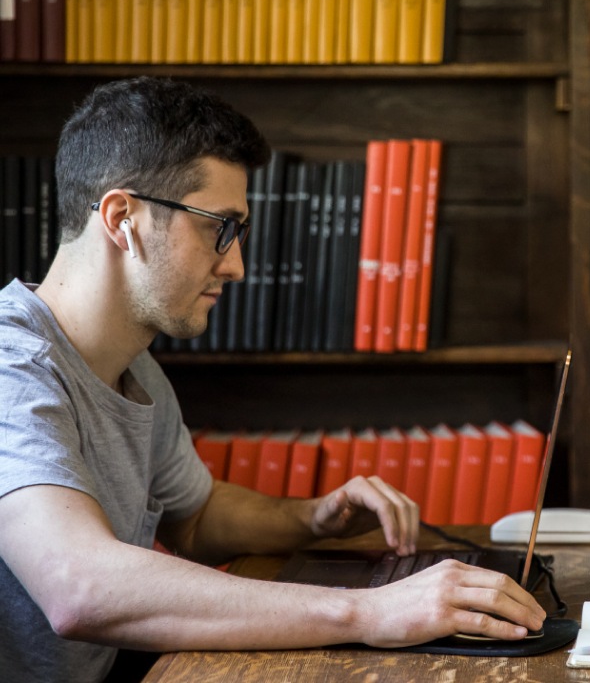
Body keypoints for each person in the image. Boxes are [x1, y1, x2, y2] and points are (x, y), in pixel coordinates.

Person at [0, 77, 545, 683]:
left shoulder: (136, 367)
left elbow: (197, 519)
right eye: (219, 227)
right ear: (122, 218)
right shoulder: (10, 364)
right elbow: (79, 586)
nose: (235, 265)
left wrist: (312, 517)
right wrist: (371, 611)